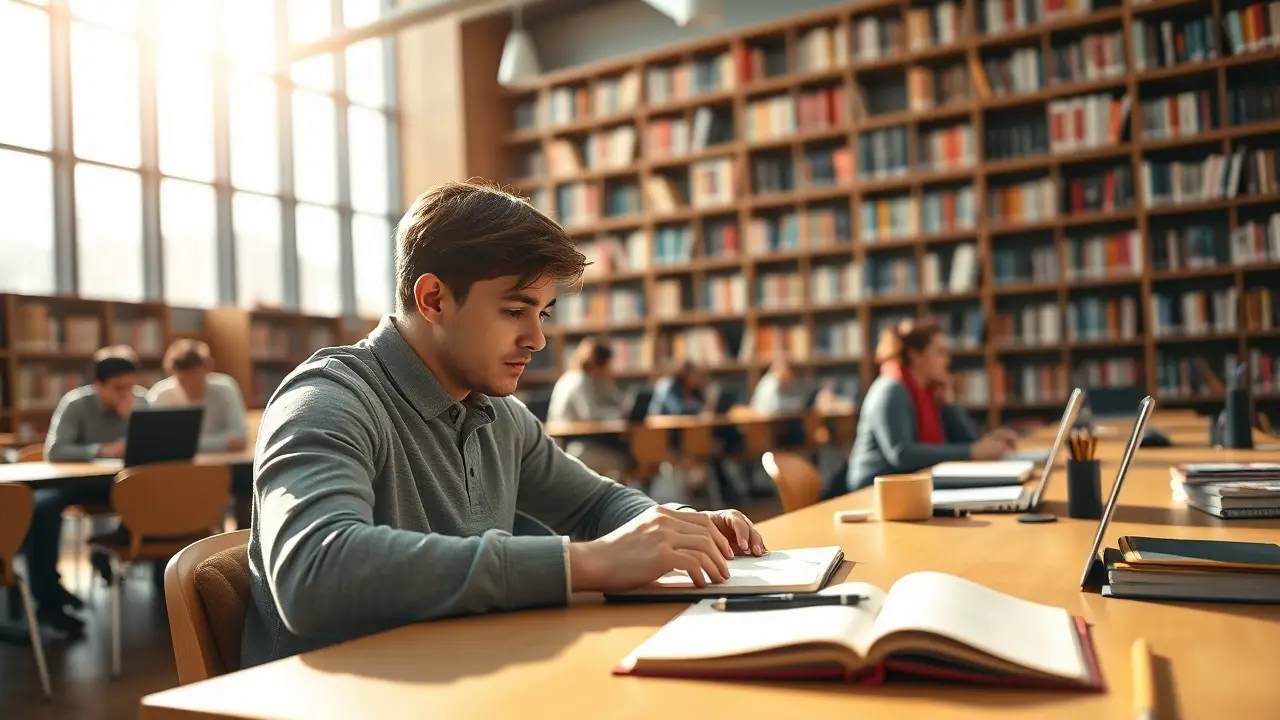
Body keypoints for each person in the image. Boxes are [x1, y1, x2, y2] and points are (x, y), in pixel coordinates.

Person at [243, 181, 767, 668]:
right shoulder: (326, 400)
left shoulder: (501, 416)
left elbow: (594, 504)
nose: (537, 340)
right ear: (433, 300)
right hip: (339, 702)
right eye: (516, 310)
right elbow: (314, 574)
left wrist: (675, 526)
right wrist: (582, 564)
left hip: (462, 677)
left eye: (543, 313)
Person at [25, 346, 149, 636]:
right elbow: (54, 451)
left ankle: (120, 554)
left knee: (158, 490)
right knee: (42, 506)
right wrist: (101, 450)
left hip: (124, 484)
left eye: (131, 386)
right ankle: (48, 596)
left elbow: (157, 445)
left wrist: (132, 418)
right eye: (119, 388)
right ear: (98, 385)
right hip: (77, 485)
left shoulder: (141, 402)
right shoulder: (76, 404)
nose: (126, 394)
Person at [846, 318, 1017, 492]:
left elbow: (968, 442)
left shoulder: (930, 392)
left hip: (914, 481)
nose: (947, 361)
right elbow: (902, 453)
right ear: (916, 355)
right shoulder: (891, 389)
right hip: (874, 489)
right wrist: (973, 451)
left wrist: (950, 404)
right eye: (940, 353)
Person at [547, 337, 630, 479]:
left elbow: (616, 400)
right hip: (573, 446)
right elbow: (590, 414)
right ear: (600, 364)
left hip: (583, 441)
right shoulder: (578, 380)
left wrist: (607, 381)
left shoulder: (588, 379)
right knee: (623, 460)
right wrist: (616, 414)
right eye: (607, 365)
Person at [147, 338, 249, 452]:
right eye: (183, 381)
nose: (190, 387)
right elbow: (155, 442)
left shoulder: (225, 389)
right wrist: (222, 442)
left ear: (208, 369)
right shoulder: (160, 395)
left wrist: (184, 444)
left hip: (219, 464)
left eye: (195, 379)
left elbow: (240, 438)